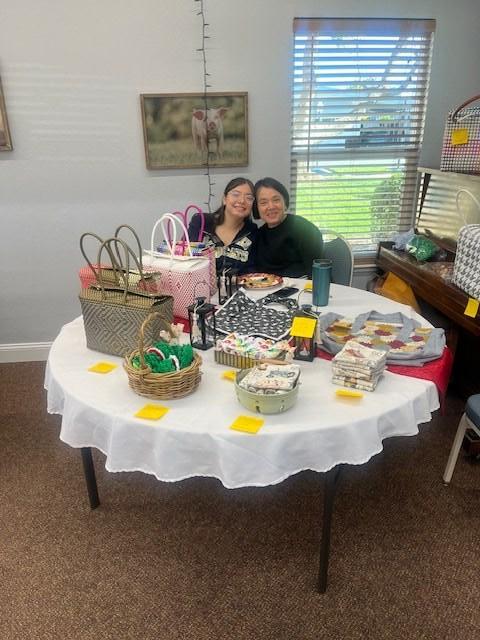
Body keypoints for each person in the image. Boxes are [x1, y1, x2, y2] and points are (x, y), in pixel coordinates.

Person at [253, 177, 323, 278]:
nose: (271, 207)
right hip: (266, 286)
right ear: (257, 208)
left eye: (276, 200)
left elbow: (318, 273)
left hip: (302, 285)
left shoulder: (304, 229)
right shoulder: (258, 235)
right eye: (263, 203)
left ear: (285, 203)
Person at [188, 177, 257, 275]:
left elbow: (252, 272)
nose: (242, 200)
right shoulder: (201, 223)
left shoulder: (253, 232)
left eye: (249, 198)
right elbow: (184, 257)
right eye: (236, 194)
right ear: (224, 199)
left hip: (238, 284)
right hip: (199, 284)